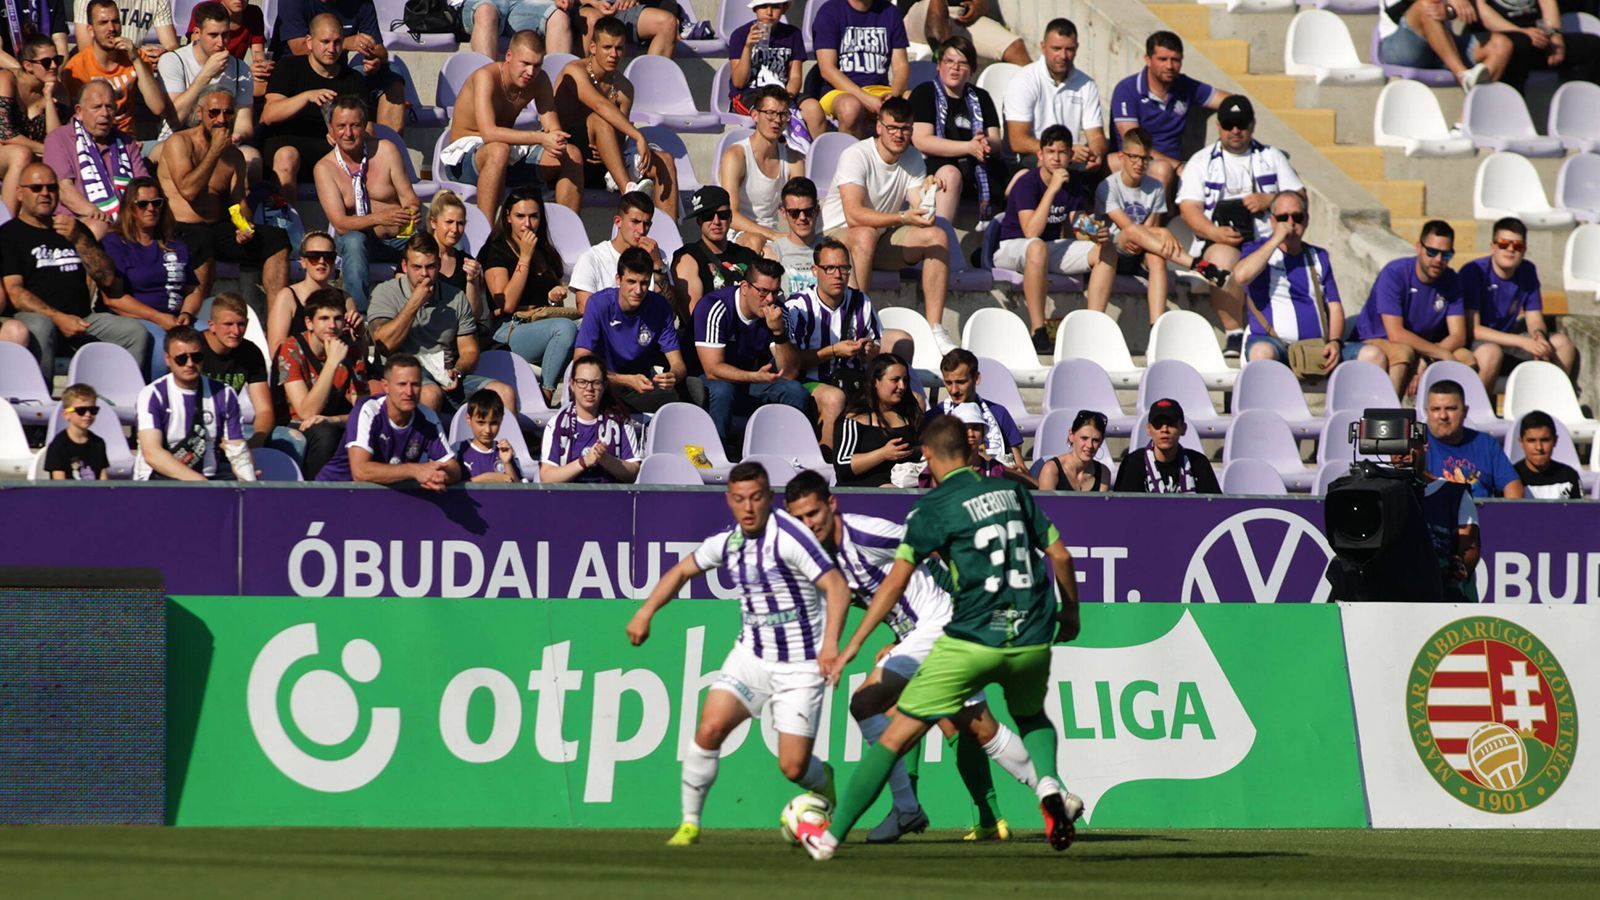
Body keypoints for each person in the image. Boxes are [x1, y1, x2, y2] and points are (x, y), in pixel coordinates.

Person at [796, 413, 1084, 860]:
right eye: (799, 519)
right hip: (1020, 629)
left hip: (947, 627)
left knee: (887, 719)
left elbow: (905, 572)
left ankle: (840, 834)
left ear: (926, 456)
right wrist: (1070, 615)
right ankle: (1050, 792)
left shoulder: (899, 520)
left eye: (813, 513)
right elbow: (1060, 556)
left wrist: (874, 638)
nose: (808, 525)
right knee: (978, 723)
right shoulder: (1011, 491)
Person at [627, 461, 852, 848]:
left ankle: (822, 779)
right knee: (709, 728)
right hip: (751, 657)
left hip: (800, 666)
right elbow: (681, 571)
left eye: (756, 498)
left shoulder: (791, 537)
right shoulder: (728, 543)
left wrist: (830, 644)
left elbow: (837, 587)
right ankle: (690, 823)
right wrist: (645, 612)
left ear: (769, 498)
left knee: (793, 767)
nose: (748, 508)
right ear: (729, 501)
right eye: (740, 499)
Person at [821, 97, 954, 353]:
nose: (899, 135)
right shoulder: (856, 155)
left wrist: (930, 192)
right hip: (838, 238)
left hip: (879, 237)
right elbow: (854, 216)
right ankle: (858, 321)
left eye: (905, 129)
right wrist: (903, 217)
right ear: (879, 127)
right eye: (892, 127)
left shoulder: (913, 157)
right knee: (865, 234)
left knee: (937, 236)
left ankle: (935, 328)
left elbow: (924, 216)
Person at [1176, 95, 1304, 356]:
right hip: (1221, 242)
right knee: (1220, 262)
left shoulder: (1272, 156)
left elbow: (1300, 199)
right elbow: (1189, 209)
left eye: (1242, 124)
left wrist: (1269, 199)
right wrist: (1215, 232)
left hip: (1269, 241)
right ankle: (1234, 332)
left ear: (1252, 125)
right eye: (1229, 124)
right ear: (1219, 126)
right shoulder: (1201, 161)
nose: (1235, 130)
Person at [2, 161, 145, 380]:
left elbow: (107, 280)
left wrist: (80, 239)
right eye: (37, 188)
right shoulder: (9, 235)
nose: (45, 193)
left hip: (84, 319)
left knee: (135, 332)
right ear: (20, 193)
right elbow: (15, 291)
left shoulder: (73, 229)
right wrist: (58, 318)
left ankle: (117, 400)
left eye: (52, 188)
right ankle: (41, 402)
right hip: (36, 318)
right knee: (41, 326)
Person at [160, 85, 291, 306]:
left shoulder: (235, 156)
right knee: (203, 240)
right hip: (182, 227)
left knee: (276, 239)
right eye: (214, 112)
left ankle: (278, 319)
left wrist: (245, 226)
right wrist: (214, 152)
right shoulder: (180, 143)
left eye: (228, 113)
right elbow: (189, 191)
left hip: (216, 227)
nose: (222, 119)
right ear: (200, 113)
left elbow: (237, 201)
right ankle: (192, 317)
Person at [1089, 126, 1229, 327]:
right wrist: (1162, 231)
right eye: (1133, 157)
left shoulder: (1155, 187)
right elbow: (1127, 228)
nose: (1139, 163)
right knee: (1134, 231)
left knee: (1157, 258)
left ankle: (1156, 326)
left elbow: (1149, 230)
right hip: (1113, 250)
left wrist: (1158, 233)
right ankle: (1198, 265)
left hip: (1139, 252)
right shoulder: (1107, 186)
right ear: (1121, 157)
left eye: (1145, 158)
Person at [367, 232, 516, 414]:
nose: (424, 274)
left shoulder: (455, 297)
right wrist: (415, 302)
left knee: (504, 394)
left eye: (430, 267)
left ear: (438, 265)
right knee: (430, 394)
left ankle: (505, 443)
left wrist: (458, 371)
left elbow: (469, 350)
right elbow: (384, 344)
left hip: (447, 375)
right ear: (405, 266)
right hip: (406, 376)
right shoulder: (386, 292)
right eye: (417, 267)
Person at [442, 29, 580, 220]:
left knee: (571, 154)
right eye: (525, 63)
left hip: (507, 154)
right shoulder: (486, 77)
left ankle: (566, 236)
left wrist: (555, 140)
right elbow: (489, 133)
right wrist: (540, 137)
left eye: (537, 65)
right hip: (465, 159)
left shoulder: (540, 80)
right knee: (498, 150)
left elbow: (553, 130)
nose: (531, 72)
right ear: (509, 56)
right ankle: (487, 238)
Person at [261, 13, 401, 193]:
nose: (331, 49)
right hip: (286, 144)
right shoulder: (289, 67)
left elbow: (368, 128)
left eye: (337, 42)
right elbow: (269, 115)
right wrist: (306, 97)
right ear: (309, 42)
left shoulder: (353, 79)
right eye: (325, 42)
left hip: (333, 150)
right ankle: (285, 217)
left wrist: (342, 135)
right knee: (287, 156)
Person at [551, 16, 677, 213]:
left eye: (619, 48)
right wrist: (638, 135)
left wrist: (607, 152)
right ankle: (629, 192)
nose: (614, 54)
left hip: (602, 163)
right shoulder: (574, 71)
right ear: (593, 47)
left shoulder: (624, 88)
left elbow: (618, 137)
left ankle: (671, 236)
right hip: (564, 154)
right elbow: (599, 105)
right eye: (607, 47)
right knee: (599, 117)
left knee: (665, 160)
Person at [992, 125, 1097, 351]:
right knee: (1037, 246)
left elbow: (1078, 224)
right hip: (1011, 248)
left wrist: (1096, 233)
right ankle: (1038, 330)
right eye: (1051, 152)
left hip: (1045, 249)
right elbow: (1031, 231)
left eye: (1062, 152)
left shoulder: (1074, 182)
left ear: (1070, 155)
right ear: (1040, 155)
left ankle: (1094, 327)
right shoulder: (1026, 183)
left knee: (1103, 251)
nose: (1056, 158)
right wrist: (1052, 190)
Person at [312, 93, 420, 312]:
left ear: (365, 126)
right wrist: (380, 218)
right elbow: (340, 223)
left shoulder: (386, 150)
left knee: (439, 239)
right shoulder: (324, 168)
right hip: (360, 244)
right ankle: (358, 316)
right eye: (341, 126)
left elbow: (409, 196)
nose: (348, 133)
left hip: (399, 238)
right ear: (331, 130)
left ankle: (450, 309)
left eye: (355, 125)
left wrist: (412, 210)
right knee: (353, 241)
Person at [1349, 220, 1473, 397]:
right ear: (1419, 248)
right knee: (1403, 353)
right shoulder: (1394, 274)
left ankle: (1462, 419)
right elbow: (1396, 334)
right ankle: (1388, 417)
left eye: (1446, 255)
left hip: (1424, 348)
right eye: (1432, 252)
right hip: (1376, 341)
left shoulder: (1451, 279)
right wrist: (1439, 353)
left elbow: (1458, 335)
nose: (1438, 260)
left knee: (1466, 359)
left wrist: (1427, 359)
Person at [1233, 191, 1352, 375]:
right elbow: (1241, 276)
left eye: (1297, 217)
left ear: (1306, 220)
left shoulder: (1318, 256)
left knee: (1373, 355)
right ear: (1272, 221)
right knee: (1261, 353)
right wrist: (1276, 239)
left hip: (1315, 347)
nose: (1291, 223)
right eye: (1283, 218)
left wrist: (1335, 341)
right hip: (1273, 343)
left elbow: (1334, 306)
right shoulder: (1256, 249)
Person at [477, 188, 577, 403]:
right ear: (507, 218)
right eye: (520, 216)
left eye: (533, 216)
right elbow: (507, 304)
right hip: (506, 329)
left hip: (539, 324)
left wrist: (554, 297)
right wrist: (525, 257)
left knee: (590, 326)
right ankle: (546, 394)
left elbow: (548, 307)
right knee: (565, 328)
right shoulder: (495, 251)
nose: (527, 224)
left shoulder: (545, 251)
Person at [694, 257, 809, 444]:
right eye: (763, 291)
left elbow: (789, 373)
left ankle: (785, 453)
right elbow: (712, 369)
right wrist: (754, 376)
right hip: (705, 379)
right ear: (745, 287)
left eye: (775, 292)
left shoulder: (779, 312)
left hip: (750, 380)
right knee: (723, 390)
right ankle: (716, 455)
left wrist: (779, 332)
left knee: (795, 391)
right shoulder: (715, 306)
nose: (770, 299)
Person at [99, 177, 201, 379]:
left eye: (157, 203)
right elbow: (112, 298)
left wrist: (187, 313)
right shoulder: (115, 243)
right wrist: (158, 317)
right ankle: (155, 399)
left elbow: (193, 289)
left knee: (209, 335)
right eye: (143, 204)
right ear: (130, 208)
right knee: (161, 343)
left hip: (177, 319)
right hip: (140, 319)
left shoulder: (176, 244)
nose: (151, 209)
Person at [574, 246, 697, 414]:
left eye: (644, 283)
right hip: (603, 385)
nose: (638, 290)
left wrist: (672, 376)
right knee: (591, 389)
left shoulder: (660, 307)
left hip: (640, 387)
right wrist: (625, 380)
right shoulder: (598, 304)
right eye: (631, 282)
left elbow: (678, 364)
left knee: (696, 390)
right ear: (618, 279)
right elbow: (580, 362)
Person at [785, 237, 883, 446]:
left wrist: (868, 350)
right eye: (829, 268)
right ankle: (830, 467)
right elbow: (792, 363)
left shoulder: (861, 301)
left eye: (844, 268)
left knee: (903, 391)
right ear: (814, 270)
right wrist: (833, 351)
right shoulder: (798, 306)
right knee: (834, 398)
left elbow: (876, 346)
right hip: (810, 381)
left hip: (853, 379)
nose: (838, 275)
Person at [1462, 217, 1576, 394]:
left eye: (1517, 246)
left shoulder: (1527, 270)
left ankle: (1550, 405)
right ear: (1492, 247)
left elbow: (1534, 318)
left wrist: (1538, 338)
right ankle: (1476, 413)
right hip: (1477, 346)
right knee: (1491, 352)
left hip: (1509, 342)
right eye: (1503, 244)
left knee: (1562, 344)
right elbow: (1474, 329)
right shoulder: (1474, 271)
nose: (1510, 250)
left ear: (1524, 250)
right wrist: (1523, 342)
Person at [315, 353, 462, 490]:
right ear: (386, 386)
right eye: (402, 384)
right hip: (336, 492)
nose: (409, 392)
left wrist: (440, 476)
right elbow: (360, 472)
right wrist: (415, 470)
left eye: (415, 384)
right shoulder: (369, 410)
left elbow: (453, 468)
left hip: (384, 496)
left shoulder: (427, 417)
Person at [1108, 31, 1228, 190]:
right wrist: (1177, 166)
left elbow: (1229, 101)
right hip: (1133, 162)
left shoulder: (1185, 86)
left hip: (1174, 166)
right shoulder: (1127, 89)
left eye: (1175, 60)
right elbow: (1135, 142)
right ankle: (1161, 214)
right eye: (1163, 59)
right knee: (1162, 169)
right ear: (1148, 60)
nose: (1170, 66)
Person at [133, 326, 252, 481]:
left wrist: (249, 484)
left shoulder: (224, 393)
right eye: (181, 359)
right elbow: (152, 454)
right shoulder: (152, 395)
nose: (189, 364)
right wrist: (200, 483)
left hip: (208, 477)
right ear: (167, 359)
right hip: (158, 480)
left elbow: (237, 450)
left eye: (196, 357)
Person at [273, 288, 369, 478]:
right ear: (309, 322)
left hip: (330, 421)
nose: (332, 325)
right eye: (324, 319)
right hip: (293, 424)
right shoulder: (291, 349)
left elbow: (365, 414)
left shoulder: (350, 351)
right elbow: (306, 412)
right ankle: (316, 493)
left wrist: (334, 419)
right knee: (325, 433)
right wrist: (332, 362)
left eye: (338, 318)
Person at [154, 2, 256, 175]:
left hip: (222, 140)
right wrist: (205, 76)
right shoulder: (173, 61)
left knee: (252, 159)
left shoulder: (240, 68)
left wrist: (236, 135)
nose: (221, 43)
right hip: (177, 138)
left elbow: (245, 124)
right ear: (197, 34)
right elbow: (175, 118)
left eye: (225, 35)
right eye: (213, 35)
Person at [910, 35, 1002, 226]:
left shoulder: (981, 97)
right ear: (938, 65)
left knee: (1024, 177)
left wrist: (985, 143)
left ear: (972, 69)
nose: (955, 68)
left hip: (977, 165)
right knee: (951, 174)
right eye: (949, 61)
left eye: (962, 63)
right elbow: (922, 140)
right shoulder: (924, 93)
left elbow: (996, 141)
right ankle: (943, 240)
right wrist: (968, 146)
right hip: (935, 165)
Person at [42, 78, 147, 239]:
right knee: (98, 226)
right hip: (79, 221)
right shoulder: (58, 139)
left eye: (110, 107)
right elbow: (64, 190)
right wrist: (98, 213)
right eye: (97, 107)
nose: (105, 113)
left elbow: (143, 188)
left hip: (126, 222)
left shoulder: (126, 142)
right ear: (79, 111)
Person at [1003, 18, 1105, 164]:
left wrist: (1095, 155)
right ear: (1043, 47)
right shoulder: (1024, 79)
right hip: (1032, 159)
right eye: (1056, 48)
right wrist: (1063, 151)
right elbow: (1018, 141)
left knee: (1116, 163)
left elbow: (1096, 136)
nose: (1063, 56)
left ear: (1076, 48)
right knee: (1050, 164)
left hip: (1070, 157)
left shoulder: (1087, 84)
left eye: (1069, 49)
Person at [718, 85, 806, 253]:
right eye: (771, 113)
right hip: (738, 235)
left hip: (773, 236)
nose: (777, 120)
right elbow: (732, 216)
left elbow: (800, 207)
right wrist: (772, 235)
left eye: (783, 114)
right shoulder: (736, 155)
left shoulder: (794, 159)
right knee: (756, 242)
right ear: (755, 115)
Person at [60, 0, 169, 135]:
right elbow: (74, 120)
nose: (111, 28)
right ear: (91, 30)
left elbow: (157, 107)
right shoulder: (76, 68)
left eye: (115, 21)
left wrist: (135, 59)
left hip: (129, 141)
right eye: (103, 23)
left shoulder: (135, 57)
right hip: (93, 141)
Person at [810, 0, 910, 139]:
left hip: (880, 90)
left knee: (917, 101)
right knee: (851, 108)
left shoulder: (890, 12)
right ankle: (850, 159)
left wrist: (895, 95)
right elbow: (827, 69)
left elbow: (901, 65)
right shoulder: (829, 11)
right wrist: (866, 100)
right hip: (839, 91)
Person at [540, 355, 644, 483]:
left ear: (604, 385)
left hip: (610, 497)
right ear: (572, 384)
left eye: (596, 383)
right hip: (569, 499)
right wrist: (583, 462)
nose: (589, 389)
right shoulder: (557, 424)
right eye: (582, 382)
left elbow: (633, 471)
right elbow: (547, 477)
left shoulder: (620, 421)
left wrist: (606, 459)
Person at [0, 35, 68, 214]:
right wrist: (44, 149)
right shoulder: (7, 80)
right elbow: (6, 134)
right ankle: (7, 227)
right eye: (46, 62)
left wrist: (49, 100)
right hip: (7, 152)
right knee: (21, 154)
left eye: (57, 60)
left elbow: (56, 141)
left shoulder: (58, 91)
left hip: (32, 157)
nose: (54, 66)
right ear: (28, 65)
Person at [1467, 0, 1600, 92]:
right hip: (1500, 37)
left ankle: (1584, 109)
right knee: (1516, 46)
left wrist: (1555, 36)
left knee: (1593, 45)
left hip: (1538, 36)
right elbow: (1481, 10)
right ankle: (1511, 116)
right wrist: (1520, 32)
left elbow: (1547, 2)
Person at [1424, 378, 1525, 498]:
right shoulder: (1418, 445)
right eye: (1435, 409)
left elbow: (1513, 488)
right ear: (1427, 412)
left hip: (1481, 514)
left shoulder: (1486, 444)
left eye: (1451, 408)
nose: (1443, 416)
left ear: (1465, 411)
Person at [199, 292, 274, 450]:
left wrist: (256, 440)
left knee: (292, 440)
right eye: (228, 324)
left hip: (233, 428)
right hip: (198, 429)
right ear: (212, 325)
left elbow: (264, 410)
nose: (236, 331)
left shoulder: (251, 352)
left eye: (241, 324)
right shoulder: (193, 349)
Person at [833, 353, 921, 487]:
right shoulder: (854, 418)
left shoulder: (910, 414)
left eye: (905, 380)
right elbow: (842, 465)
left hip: (906, 488)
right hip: (863, 492)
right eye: (895, 380)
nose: (902, 386)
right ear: (875, 382)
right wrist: (883, 454)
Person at [932, 348, 1026, 473]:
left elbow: (1021, 468)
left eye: (961, 382)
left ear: (976, 378)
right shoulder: (935, 416)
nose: (954, 390)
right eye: (948, 383)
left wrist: (993, 467)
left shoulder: (998, 413)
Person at [672, 185, 761, 316]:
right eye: (708, 216)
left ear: (730, 218)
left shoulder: (748, 256)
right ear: (699, 221)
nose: (716, 221)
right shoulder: (688, 258)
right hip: (710, 333)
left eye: (723, 215)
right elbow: (695, 319)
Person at [570, 190, 667, 309]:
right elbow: (585, 309)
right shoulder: (591, 259)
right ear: (618, 221)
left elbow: (669, 310)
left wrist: (657, 267)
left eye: (646, 224)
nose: (641, 230)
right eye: (635, 222)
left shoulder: (656, 256)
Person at [269, 230, 359, 352]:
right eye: (314, 256)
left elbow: (359, 354)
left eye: (328, 257)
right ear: (303, 261)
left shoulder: (345, 298)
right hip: (299, 367)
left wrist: (359, 334)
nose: (321, 261)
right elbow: (276, 349)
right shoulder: (287, 297)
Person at [727, 0, 812, 129]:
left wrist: (786, 97)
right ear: (755, 8)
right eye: (763, 6)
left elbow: (795, 77)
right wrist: (748, 47)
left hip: (783, 92)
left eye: (775, 7)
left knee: (814, 109)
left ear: (785, 8)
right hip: (750, 93)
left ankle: (813, 148)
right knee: (769, 111)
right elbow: (739, 82)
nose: (769, 12)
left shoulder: (793, 34)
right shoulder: (740, 35)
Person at [1376, 0, 1496, 90]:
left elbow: (1470, 8)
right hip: (1399, 47)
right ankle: (1463, 76)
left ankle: (1468, 118)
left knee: (1499, 45)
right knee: (1425, 7)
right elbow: (1396, 10)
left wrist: (1451, 10)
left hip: (1440, 44)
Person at [1112, 397, 1219, 494]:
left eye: (1171, 424)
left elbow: (1215, 506)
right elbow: (1123, 509)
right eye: (1158, 424)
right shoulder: (1133, 463)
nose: (1164, 430)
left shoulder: (1198, 462)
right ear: (1148, 429)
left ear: (1183, 428)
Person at [902, 0, 1028, 66]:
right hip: (917, 12)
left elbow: (984, 4)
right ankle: (945, 64)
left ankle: (1041, 94)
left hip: (960, 16)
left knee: (1015, 47)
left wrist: (978, 6)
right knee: (937, 3)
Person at [429, 191, 485, 330]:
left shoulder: (467, 262)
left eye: (460, 223)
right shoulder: (417, 257)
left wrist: (471, 281)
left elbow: (474, 315)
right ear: (433, 222)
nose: (455, 229)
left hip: (459, 331)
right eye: (449, 222)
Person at [194, 0, 270, 100]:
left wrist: (258, 70)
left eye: (225, 34)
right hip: (205, 74)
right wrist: (244, 72)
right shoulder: (206, 11)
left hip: (236, 74)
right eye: (213, 35)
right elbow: (197, 56)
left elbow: (259, 59)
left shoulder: (253, 13)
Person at [455, 388, 527, 483]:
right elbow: (448, 489)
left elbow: (520, 493)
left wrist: (507, 463)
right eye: (481, 422)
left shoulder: (505, 452)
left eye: (494, 423)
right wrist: (483, 480)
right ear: (468, 418)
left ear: (501, 419)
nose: (487, 430)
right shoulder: (458, 450)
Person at [767, 176, 823, 296]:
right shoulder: (772, 253)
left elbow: (852, 299)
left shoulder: (834, 250)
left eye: (808, 211)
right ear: (783, 213)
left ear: (817, 210)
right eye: (794, 213)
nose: (802, 218)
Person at [461, 0, 574, 60]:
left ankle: (558, 92)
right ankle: (485, 89)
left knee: (560, 17)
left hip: (525, 4)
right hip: (482, 3)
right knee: (485, 12)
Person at [571, 0, 680, 59]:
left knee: (667, 23)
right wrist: (595, 2)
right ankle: (580, 86)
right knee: (594, 21)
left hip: (624, 8)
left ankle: (652, 89)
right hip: (586, 7)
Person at [45, 383, 110, 480]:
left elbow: (103, 480)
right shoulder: (58, 445)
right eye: (81, 410)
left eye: (93, 410)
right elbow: (59, 484)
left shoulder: (98, 443)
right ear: (67, 414)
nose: (88, 414)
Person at [1037, 409, 1111, 492]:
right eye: (1084, 438)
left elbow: (1101, 505)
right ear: (1071, 435)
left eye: (1096, 440)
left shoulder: (1103, 473)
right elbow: (1045, 504)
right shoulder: (1051, 470)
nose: (1089, 445)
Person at [1513, 410, 1582, 500]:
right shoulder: (1511, 477)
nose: (1539, 447)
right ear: (1521, 442)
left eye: (1545, 440)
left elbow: (1580, 512)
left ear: (1555, 441)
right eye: (1531, 440)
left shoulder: (1569, 476)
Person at [4, 0, 70, 66]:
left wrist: (54, 72)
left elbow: (61, 47)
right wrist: (24, 73)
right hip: (11, 68)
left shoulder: (53, 2)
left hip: (48, 66)